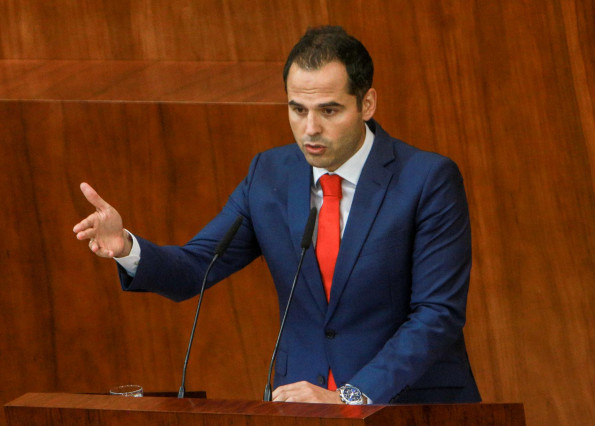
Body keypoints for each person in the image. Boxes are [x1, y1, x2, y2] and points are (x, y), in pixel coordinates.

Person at [73, 26, 480, 405]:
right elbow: (196, 266)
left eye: (329, 110)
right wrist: (126, 246)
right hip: (299, 403)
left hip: (407, 405)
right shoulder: (269, 175)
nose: (310, 128)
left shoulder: (427, 179)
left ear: (367, 104)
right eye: (297, 109)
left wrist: (351, 397)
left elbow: (437, 314)